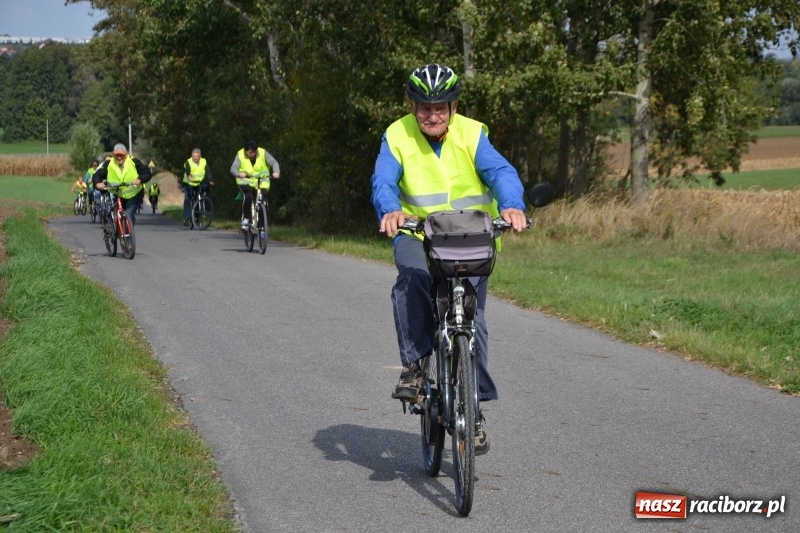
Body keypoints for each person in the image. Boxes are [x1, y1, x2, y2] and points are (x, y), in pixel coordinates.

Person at [370, 64, 527, 456]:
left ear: (453, 107)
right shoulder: (397, 134)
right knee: (412, 278)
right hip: (417, 233)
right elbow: (384, 181)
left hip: (470, 236)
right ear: (411, 106)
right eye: (423, 107)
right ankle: (415, 367)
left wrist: (511, 205)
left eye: (440, 107)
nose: (432, 115)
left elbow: (501, 173)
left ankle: (472, 413)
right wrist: (390, 209)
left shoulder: (473, 133)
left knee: (473, 321)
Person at [93, 144, 152, 225]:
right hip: (118, 193)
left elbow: (147, 173)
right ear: (113, 155)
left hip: (134, 194)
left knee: (129, 214)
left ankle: (128, 237)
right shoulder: (109, 164)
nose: (119, 157)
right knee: (117, 215)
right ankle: (115, 229)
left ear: (126, 154)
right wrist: (97, 183)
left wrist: (140, 179)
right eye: (117, 155)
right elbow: (97, 174)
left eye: (121, 155)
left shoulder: (134, 162)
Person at [230, 140, 280, 229]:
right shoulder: (240, 155)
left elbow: (274, 162)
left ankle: (262, 227)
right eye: (250, 152)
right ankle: (246, 218)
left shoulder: (262, 152)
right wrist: (239, 174)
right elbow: (233, 168)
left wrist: (276, 172)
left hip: (261, 181)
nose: (252, 154)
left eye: (254, 152)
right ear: (246, 151)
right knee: (248, 196)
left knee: (263, 202)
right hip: (245, 181)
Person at [182, 148, 214, 226]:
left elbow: (208, 171)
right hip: (188, 183)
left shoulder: (204, 161)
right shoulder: (188, 161)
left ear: (200, 156)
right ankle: (187, 218)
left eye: (197, 156)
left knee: (197, 199)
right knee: (188, 199)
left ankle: (196, 218)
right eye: (193, 156)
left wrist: (210, 180)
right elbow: (187, 170)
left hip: (198, 182)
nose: (195, 158)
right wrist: (189, 176)